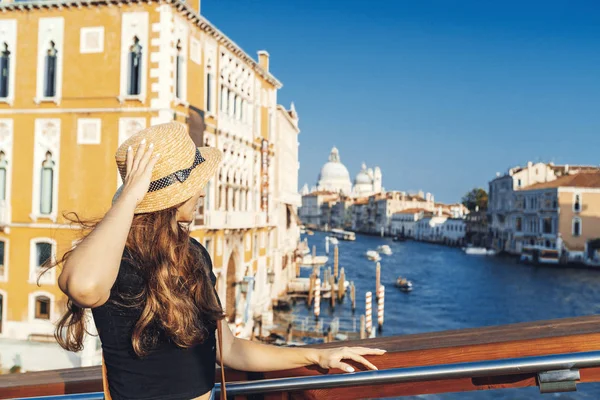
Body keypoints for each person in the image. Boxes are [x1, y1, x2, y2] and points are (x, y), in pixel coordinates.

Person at [53, 122, 385, 400]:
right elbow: (83, 287)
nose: (201, 192)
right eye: (194, 185)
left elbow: (228, 349)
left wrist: (316, 354)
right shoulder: (115, 260)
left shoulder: (194, 254)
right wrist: (130, 196)